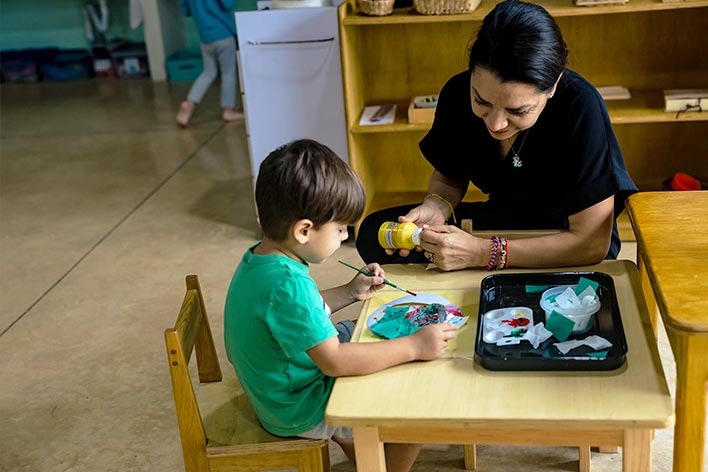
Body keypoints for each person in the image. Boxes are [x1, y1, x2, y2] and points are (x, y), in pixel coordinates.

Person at [223, 139, 458, 472]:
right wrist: (415, 345)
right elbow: (333, 361)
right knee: (417, 399)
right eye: (340, 229)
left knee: (356, 332)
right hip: (297, 405)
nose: (345, 237)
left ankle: (358, 445)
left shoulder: (261, 259)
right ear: (304, 230)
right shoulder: (290, 285)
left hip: (276, 387)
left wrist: (350, 291)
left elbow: (296, 317)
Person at [356, 0, 637, 272]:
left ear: (552, 87)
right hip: (502, 219)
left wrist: (483, 253)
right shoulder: (457, 93)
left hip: (564, 234)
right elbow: (448, 176)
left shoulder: (580, 105)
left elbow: (592, 243)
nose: (496, 123)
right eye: (482, 102)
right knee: (374, 233)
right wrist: (437, 206)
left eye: (518, 110)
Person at [175, 0, 244, 127]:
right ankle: (228, 111)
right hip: (223, 34)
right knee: (228, 73)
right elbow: (229, 4)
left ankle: (189, 103)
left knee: (208, 73)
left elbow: (186, 11)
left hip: (205, 38)